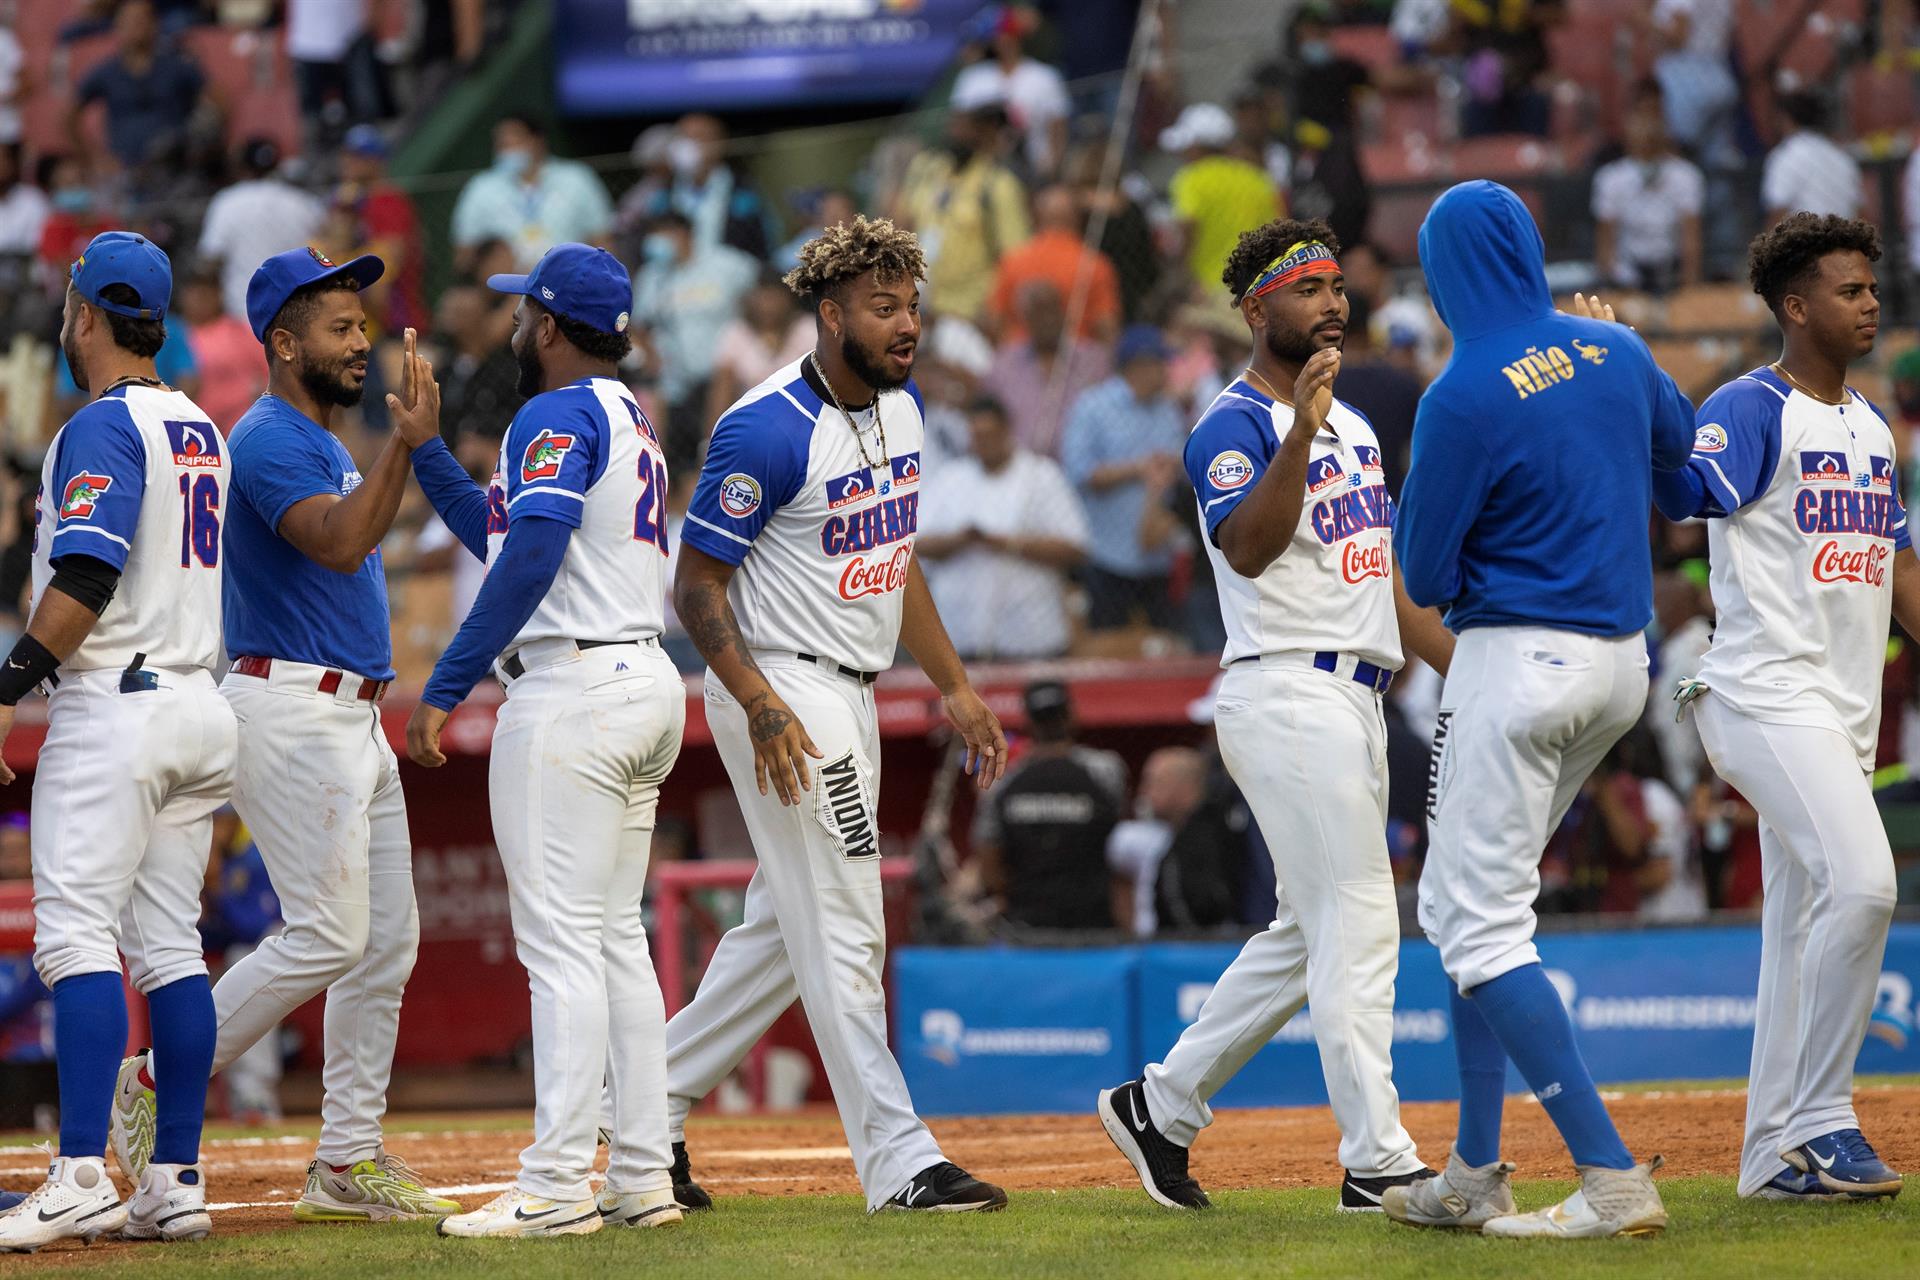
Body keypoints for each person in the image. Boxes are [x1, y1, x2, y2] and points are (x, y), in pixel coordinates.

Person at [1096, 218, 1454, 1215]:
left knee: (1307, 932)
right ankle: (1375, 1159)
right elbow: (1248, 547)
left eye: (1339, 286)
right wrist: (1298, 426)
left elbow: (1381, 577)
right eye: (1309, 290)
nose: (1333, 303)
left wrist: (1461, 674)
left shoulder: (1358, 426)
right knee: (1362, 917)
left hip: (1359, 688)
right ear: (1258, 310)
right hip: (1286, 682)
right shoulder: (1234, 423)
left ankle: (1160, 1104)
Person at [664, 215, 1010, 1214]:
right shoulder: (764, 424)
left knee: (784, 933)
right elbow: (696, 591)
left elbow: (894, 565)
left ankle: (638, 1112)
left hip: (855, 685)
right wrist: (763, 705)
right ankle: (899, 1161)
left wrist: (951, 682)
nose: (908, 324)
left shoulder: (902, 414)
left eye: (912, 304)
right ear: (829, 314)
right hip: (787, 689)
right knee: (850, 921)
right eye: (883, 307)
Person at [109, 248, 455, 1225]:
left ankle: (346, 1156)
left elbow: (353, 532)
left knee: (386, 940)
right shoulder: (266, 436)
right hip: (289, 703)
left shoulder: (321, 438)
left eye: (363, 323)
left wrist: (396, 448)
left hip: (346, 709)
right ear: (283, 341)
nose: (362, 341)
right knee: (331, 932)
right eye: (340, 327)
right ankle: (157, 1071)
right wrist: (407, 443)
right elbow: (341, 541)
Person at [1388, 181, 1696, 1238]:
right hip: (1622, 663)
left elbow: (1422, 574)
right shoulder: (1613, 347)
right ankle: (1473, 1170)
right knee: (1471, 909)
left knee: (1474, 926)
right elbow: (1682, 466)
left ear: (1441, 275)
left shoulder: (1459, 390)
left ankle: (1611, 1179)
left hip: (1515, 664)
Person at [402, 244, 688, 1237]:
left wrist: (445, 682)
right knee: (613, 941)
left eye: (529, 316)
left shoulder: (554, 411)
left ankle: (557, 1183)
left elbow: (526, 558)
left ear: (554, 327)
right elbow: (503, 530)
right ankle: (642, 1174)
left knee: (565, 946)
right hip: (639, 674)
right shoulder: (627, 415)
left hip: (574, 685)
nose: (521, 329)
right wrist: (427, 446)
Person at [1652, 213, 1913, 1202]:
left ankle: (1769, 1160)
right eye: (1849, 290)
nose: (1870, 302)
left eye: (1871, 287)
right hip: (1761, 692)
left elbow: (1896, 557)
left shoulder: (1869, 424)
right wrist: (1641, 397)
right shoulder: (1753, 405)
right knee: (1865, 883)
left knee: (1800, 928)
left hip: (1835, 712)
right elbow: (1685, 488)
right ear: (1795, 306)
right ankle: (1822, 1118)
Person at [0, 232, 235, 1249]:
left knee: (74, 938)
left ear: (86, 316)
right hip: (197, 701)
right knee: (170, 947)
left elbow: (85, 577)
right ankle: (174, 1176)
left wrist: (8, 684)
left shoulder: (101, 427)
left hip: (119, 702)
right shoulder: (201, 425)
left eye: (69, 307)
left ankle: (80, 1170)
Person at [918, 396, 1088, 659]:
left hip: (1031, 636)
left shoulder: (1041, 475)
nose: (984, 443)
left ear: (1007, 431)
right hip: (961, 636)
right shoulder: (951, 477)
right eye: (977, 435)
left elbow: (1074, 547)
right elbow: (917, 544)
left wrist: (1003, 543)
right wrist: (962, 539)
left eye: (990, 434)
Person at [1062, 325, 1189, 634]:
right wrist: (1137, 468)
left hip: (1158, 554)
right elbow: (1078, 472)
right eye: (1161, 364)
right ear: (1140, 366)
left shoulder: (1168, 409)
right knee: (1108, 644)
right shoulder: (1093, 406)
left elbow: (1180, 464)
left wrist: (1168, 466)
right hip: (1106, 553)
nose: (1166, 372)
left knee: (1162, 644)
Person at [972, 680, 1125, 930]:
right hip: (1093, 926)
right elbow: (1120, 843)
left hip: (1027, 925)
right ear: (1071, 716)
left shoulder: (1003, 782)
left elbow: (989, 865)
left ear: (1028, 723)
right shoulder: (1106, 770)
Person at [630, 210, 758, 474]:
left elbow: (764, 292)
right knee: (681, 459)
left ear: (684, 234)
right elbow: (639, 325)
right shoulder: (651, 277)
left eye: (663, 234)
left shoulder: (727, 264)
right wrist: (651, 355)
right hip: (675, 383)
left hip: (723, 379)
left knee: (722, 449)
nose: (658, 241)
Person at [891, 84, 1030, 325]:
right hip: (919, 308)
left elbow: (1014, 259)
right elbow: (901, 223)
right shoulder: (926, 168)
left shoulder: (999, 185)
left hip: (969, 315)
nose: (962, 131)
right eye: (960, 121)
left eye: (975, 125)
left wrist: (994, 312)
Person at [65, 0, 217, 174]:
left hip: (172, 169)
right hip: (124, 170)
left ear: (155, 24)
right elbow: (68, 117)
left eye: (141, 20)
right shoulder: (105, 72)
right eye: (129, 21)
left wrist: (200, 145)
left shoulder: (177, 66)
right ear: (117, 27)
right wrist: (95, 157)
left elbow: (216, 102)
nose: (136, 27)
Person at [452, 115, 614, 274]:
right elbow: (464, 254)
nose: (507, 151)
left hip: (568, 277)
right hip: (506, 283)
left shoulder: (576, 178)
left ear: (538, 141)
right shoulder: (481, 187)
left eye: (514, 142)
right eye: (502, 145)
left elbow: (602, 238)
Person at [1591, 83, 1703, 294]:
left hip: (1670, 276)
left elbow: (1691, 244)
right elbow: (1605, 247)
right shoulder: (1610, 178)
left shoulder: (1686, 176)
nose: (1648, 126)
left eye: (1654, 114)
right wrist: (1612, 290)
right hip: (1626, 278)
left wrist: (1689, 292)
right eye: (1641, 116)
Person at [197, 138, 325, 325]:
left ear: (241, 166)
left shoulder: (227, 202)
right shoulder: (304, 203)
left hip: (243, 317)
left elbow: (208, 261)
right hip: (296, 317)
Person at [1161, 102, 1282, 295]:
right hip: (1256, 287)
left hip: (1207, 290)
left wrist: (1178, 272)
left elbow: (1187, 227)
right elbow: (1278, 230)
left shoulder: (1190, 179)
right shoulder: (1258, 179)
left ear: (1198, 146)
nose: (1182, 154)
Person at [986, 279, 1111, 457]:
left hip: (1083, 468)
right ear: (1025, 319)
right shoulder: (1003, 365)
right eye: (1038, 313)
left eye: (1052, 310)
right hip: (1022, 470)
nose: (1047, 320)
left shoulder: (1093, 360)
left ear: (1064, 313)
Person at [950, 5, 1071, 180]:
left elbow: (1058, 129)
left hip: (1034, 172)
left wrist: (1050, 170)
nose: (1004, 42)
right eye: (999, 37)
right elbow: (958, 126)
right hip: (981, 173)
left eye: (1009, 36)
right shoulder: (973, 78)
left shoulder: (1045, 76)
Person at [985, 185, 1119, 343]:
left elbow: (994, 321)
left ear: (1036, 217)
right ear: (1077, 218)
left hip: (1022, 360)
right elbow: (1106, 328)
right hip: (1075, 360)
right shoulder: (1095, 265)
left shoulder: (1013, 261)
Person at [1104, 746, 1208, 937]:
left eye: (1155, 782)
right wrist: (1130, 930)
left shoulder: (1214, 837)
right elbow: (1116, 882)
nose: (1144, 791)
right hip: (1150, 945)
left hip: (1203, 944)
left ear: (1187, 787)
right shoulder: (1132, 837)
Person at [334, 125, 426, 338]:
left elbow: (386, 266)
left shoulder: (387, 200)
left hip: (395, 318)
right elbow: (331, 245)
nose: (350, 162)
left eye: (359, 156)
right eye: (348, 155)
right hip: (364, 317)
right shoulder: (348, 201)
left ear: (377, 160)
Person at [703, 271, 813, 448]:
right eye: (763, 297)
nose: (768, 305)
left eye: (774, 297)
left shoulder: (807, 329)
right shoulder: (736, 332)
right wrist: (711, 443)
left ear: (788, 299)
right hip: (753, 424)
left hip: (804, 420)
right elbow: (722, 388)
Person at [176, 263, 264, 433]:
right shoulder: (172, 335)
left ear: (219, 294)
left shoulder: (239, 331)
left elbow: (271, 375)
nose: (200, 298)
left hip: (241, 430)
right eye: (194, 291)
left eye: (207, 291)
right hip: (191, 433)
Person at [1761, 93, 1862, 224]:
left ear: (1786, 119)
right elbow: (1859, 210)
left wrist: (1765, 243)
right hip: (1843, 238)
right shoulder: (1839, 154)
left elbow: (1778, 211)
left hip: (1808, 241)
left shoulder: (1785, 156)